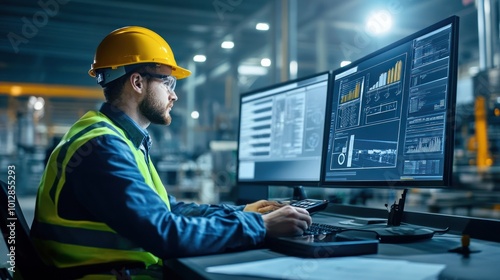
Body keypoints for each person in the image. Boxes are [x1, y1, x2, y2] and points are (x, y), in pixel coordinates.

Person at [30, 26, 312, 279]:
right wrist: (259, 227)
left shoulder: (118, 138)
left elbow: (169, 209)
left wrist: (242, 212)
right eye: (167, 83)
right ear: (138, 82)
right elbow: (165, 233)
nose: (174, 95)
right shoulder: (103, 147)